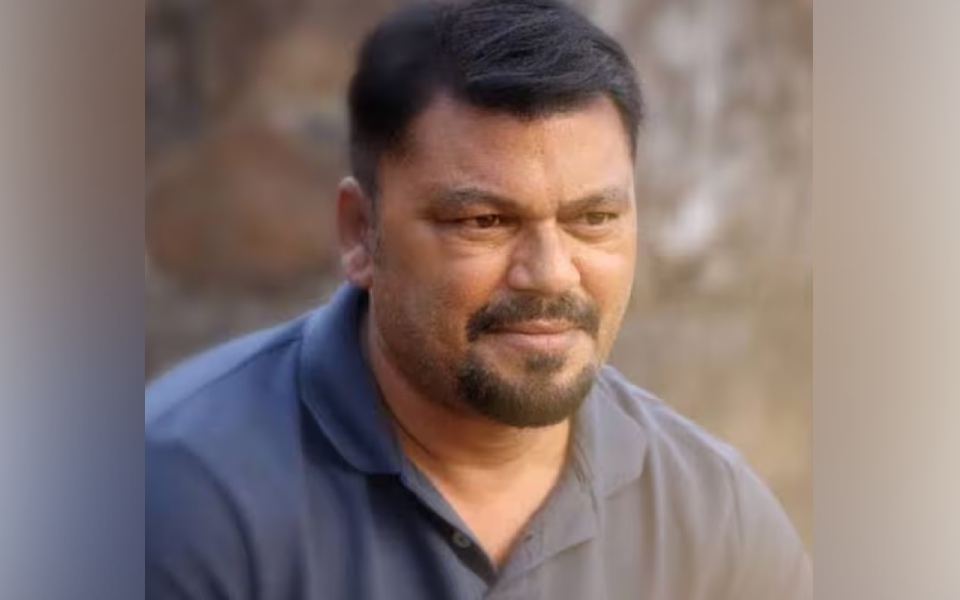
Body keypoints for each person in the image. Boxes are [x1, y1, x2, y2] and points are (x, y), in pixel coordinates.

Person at [145, 0, 812, 598]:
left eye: (593, 219)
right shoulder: (179, 495)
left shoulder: (713, 521)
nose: (550, 274)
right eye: (484, 222)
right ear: (360, 233)